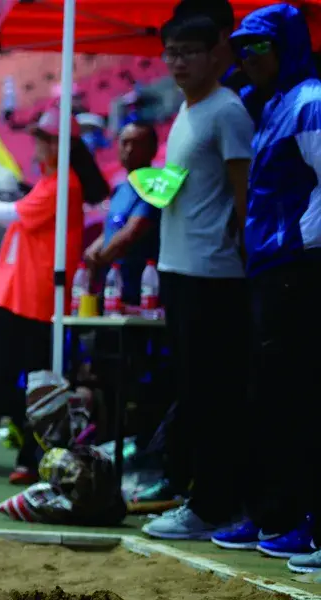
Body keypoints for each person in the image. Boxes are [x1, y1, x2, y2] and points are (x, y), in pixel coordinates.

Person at [0, 111, 110, 482]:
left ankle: (28, 457)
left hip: (35, 297)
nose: (37, 145)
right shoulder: (52, 182)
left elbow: (13, 213)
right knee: (1, 378)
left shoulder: (63, 185)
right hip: (16, 294)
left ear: (59, 145)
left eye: (43, 138)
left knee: (32, 382)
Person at [213, 4, 321, 568]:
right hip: (271, 268)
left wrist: (305, 247)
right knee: (271, 398)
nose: (246, 57)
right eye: (241, 47)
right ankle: (275, 511)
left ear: (287, 46)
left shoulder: (309, 101)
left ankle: (301, 518)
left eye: (258, 45)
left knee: (297, 398)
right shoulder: (274, 103)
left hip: (298, 268)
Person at [140, 14, 253, 541]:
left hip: (214, 274)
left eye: (189, 51)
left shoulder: (227, 111)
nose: (179, 61)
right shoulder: (187, 111)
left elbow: (243, 193)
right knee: (192, 392)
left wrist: (244, 255)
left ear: (216, 54)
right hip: (179, 269)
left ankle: (213, 506)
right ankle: (201, 497)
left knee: (213, 395)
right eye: (172, 52)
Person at [84, 122, 162, 305]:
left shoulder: (154, 186)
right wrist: (93, 251)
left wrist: (100, 259)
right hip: (113, 288)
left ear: (152, 149)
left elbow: (132, 232)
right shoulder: (120, 188)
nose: (129, 149)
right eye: (125, 143)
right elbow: (111, 228)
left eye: (137, 144)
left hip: (141, 290)